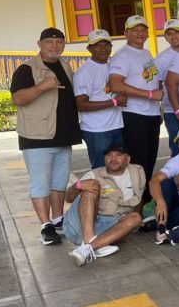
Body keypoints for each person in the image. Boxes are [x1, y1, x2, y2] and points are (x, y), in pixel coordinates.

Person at [10, 27, 82, 245]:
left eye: (59, 42)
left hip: (63, 135)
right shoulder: (26, 69)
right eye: (49, 42)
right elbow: (18, 98)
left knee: (59, 182)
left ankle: (58, 220)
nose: (54, 46)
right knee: (40, 184)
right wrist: (42, 86)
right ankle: (45, 226)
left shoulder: (65, 66)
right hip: (37, 137)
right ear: (39, 44)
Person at [108, 15, 162, 203]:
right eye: (134, 30)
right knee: (138, 162)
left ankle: (145, 201)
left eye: (143, 30)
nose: (140, 33)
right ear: (126, 33)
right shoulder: (122, 55)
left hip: (152, 114)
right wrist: (148, 95)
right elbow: (116, 84)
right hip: (134, 115)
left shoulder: (146, 53)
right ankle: (135, 203)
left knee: (149, 161)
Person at [62, 143, 145, 266]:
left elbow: (139, 198)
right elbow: (68, 198)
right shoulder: (94, 174)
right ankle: (89, 240)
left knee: (136, 218)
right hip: (80, 225)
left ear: (128, 159)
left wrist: (132, 226)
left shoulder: (137, 172)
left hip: (108, 227)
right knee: (90, 188)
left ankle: (89, 247)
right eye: (109, 155)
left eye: (118, 155)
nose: (113, 159)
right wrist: (78, 185)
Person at [73, 29, 126, 168]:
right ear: (89, 48)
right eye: (97, 45)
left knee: (117, 168)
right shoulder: (84, 72)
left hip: (116, 126)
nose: (103, 49)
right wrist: (114, 102)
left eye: (106, 45)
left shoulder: (112, 66)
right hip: (97, 130)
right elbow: (81, 104)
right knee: (101, 169)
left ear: (111, 47)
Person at [155, 18, 179, 155]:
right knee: (178, 146)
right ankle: (176, 176)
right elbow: (157, 86)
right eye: (169, 33)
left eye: (177, 32)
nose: (173, 36)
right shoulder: (161, 59)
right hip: (172, 111)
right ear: (165, 37)